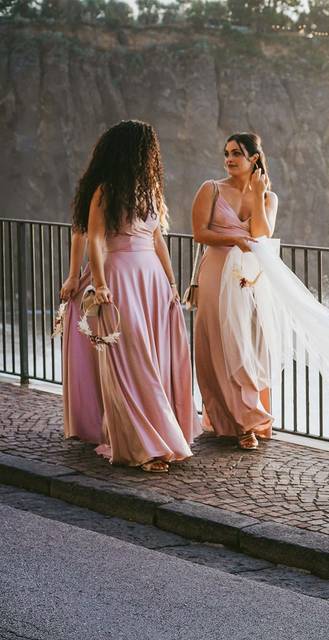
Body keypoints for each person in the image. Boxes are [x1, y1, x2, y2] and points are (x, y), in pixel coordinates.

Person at [75, 119, 200, 472]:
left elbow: (158, 238)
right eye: (148, 147)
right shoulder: (105, 190)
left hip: (153, 279)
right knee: (132, 361)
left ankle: (161, 433)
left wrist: (172, 284)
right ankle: (142, 446)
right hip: (121, 275)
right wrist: (99, 285)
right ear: (134, 151)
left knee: (157, 360)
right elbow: (96, 239)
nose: (152, 154)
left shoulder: (150, 189)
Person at [191, 133, 277, 450]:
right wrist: (234, 241)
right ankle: (236, 422)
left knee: (248, 345)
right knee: (219, 344)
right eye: (226, 153)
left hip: (248, 277)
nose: (229, 159)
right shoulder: (210, 189)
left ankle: (251, 417)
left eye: (237, 153)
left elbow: (261, 236)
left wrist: (256, 194)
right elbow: (200, 232)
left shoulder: (268, 197)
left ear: (253, 158)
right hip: (215, 271)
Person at [59, 230, 102, 444]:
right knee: (93, 346)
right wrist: (74, 276)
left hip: (131, 273)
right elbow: (80, 232)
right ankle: (92, 419)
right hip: (99, 277)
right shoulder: (95, 196)